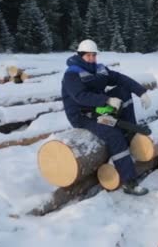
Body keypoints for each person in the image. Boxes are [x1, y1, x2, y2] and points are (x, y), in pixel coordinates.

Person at [61, 39, 152, 196]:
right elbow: (80, 96)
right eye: (88, 56)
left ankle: (130, 134)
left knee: (122, 91)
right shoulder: (72, 74)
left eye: (93, 55)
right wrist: (107, 100)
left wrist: (141, 92)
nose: (91, 59)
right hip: (82, 115)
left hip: (99, 108)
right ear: (80, 56)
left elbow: (120, 78)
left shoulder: (99, 69)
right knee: (113, 134)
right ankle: (129, 182)